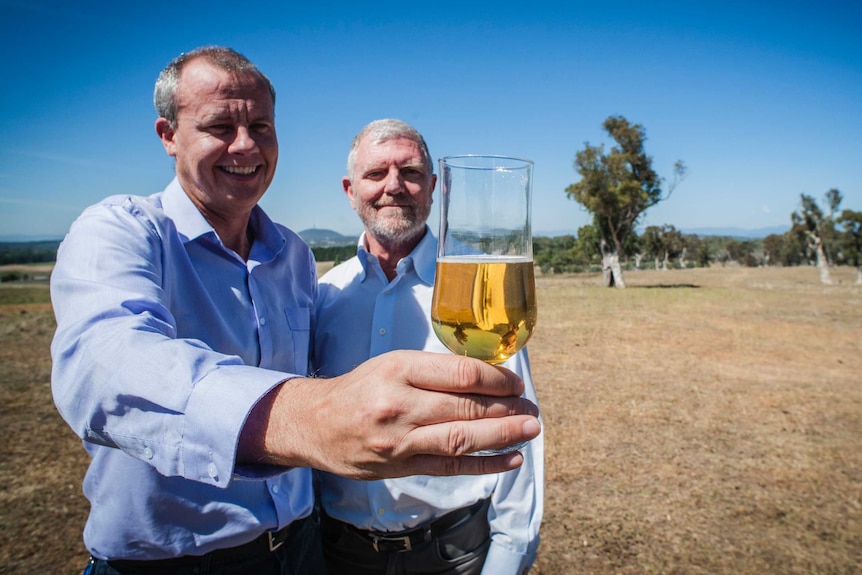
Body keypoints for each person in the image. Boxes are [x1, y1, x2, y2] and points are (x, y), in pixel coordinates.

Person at [50, 48, 540, 575]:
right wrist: (305, 418)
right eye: (219, 125)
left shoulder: (293, 258)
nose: (245, 145)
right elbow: (102, 365)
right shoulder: (123, 231)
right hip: (170, 564)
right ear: (168, 135)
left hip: (303, 552)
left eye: (261, 125)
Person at [313, 118, 544, 575]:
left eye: (411, 173)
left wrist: (508, 558)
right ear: (349, 189)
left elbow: (517, 426)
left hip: (452, 552)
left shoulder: (475, 287)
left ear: (435, 186)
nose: (394, 186)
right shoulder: (324, 295)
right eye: (376, 173)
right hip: (337, 552)